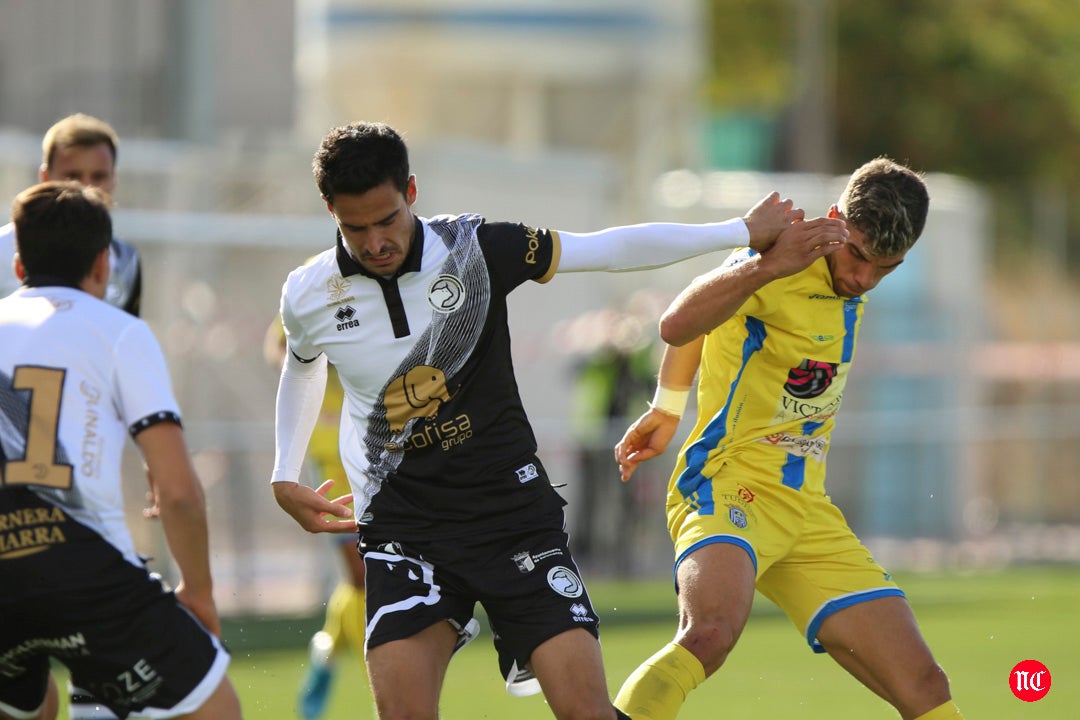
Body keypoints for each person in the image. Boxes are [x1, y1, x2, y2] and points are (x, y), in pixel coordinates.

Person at [269, 120, 847, 720]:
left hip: (510, 515)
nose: (375, 242)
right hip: (403, 526)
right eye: (354, 227)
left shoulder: (477, 250)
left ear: (411, 191)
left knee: (586, 713)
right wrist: (285, 471)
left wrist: (740, 231)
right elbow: (302, 366)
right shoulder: (309, 292)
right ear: (330, 211)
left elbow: (611, 248)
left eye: (387, 219)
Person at [612, 158, 964, 720]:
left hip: (805, 507)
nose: (862, 279)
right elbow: (680, 323)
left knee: (925, 683)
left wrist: (666, 407)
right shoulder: (774, 259)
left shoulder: (849, 270)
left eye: (886, 269)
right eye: (857, 257)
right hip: (727, 484)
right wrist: (667, 404)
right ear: (833, 222)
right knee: (708, 636)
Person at [0, 182, 242, 720]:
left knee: (33, 709)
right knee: (216, 710)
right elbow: (178, 492)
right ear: (103, 265)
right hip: (82, 571)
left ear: (19, 267)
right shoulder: (119, 331)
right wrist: (198, 592)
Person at [263, 316, 366, 720]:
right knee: (360, 574)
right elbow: (275, 347)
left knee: (376, 572)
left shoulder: (383, 265)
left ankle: (327, 649)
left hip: (379, 444)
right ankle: (380, 675)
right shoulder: (310, 281)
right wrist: (308, 362)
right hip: (331, 456)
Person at [0, 113, 142, 317]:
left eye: (99, 176)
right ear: (45, 177)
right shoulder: (2, 249)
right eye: (72, 176)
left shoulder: (125, 260)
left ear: (114, 179)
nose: (86, 187)